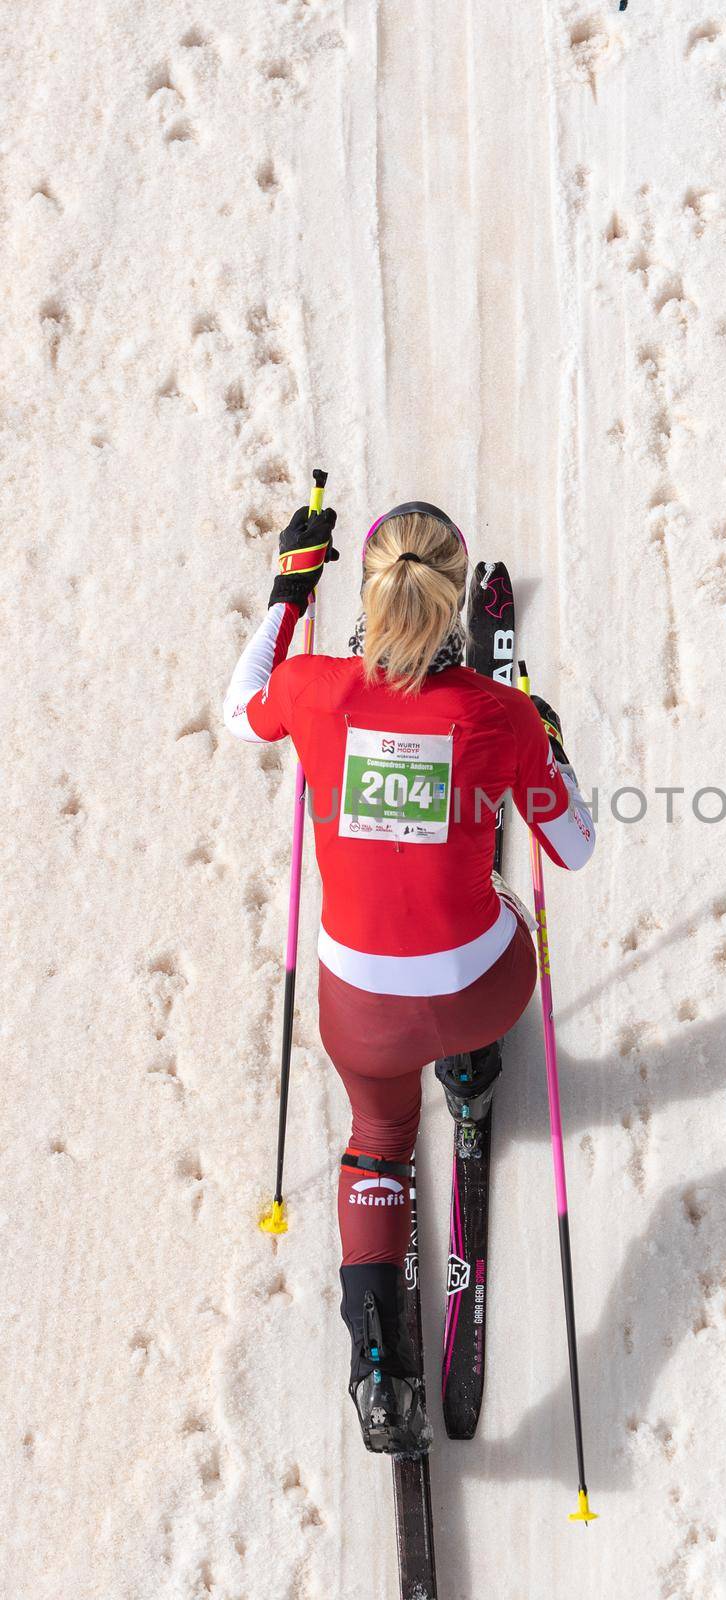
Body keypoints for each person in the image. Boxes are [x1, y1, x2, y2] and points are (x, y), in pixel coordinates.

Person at [223, 497, 595, 1454]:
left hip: (363, 1011)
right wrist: (548, 747)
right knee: (499, 914)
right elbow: (573, 848)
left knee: (380, 1137)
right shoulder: (497, 715)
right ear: (454, 602)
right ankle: (470, 1076)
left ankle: (379, 1369)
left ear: (370, 591)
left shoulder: (312, 688)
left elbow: (238, 707)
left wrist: (285, 593)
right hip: (477, 989)